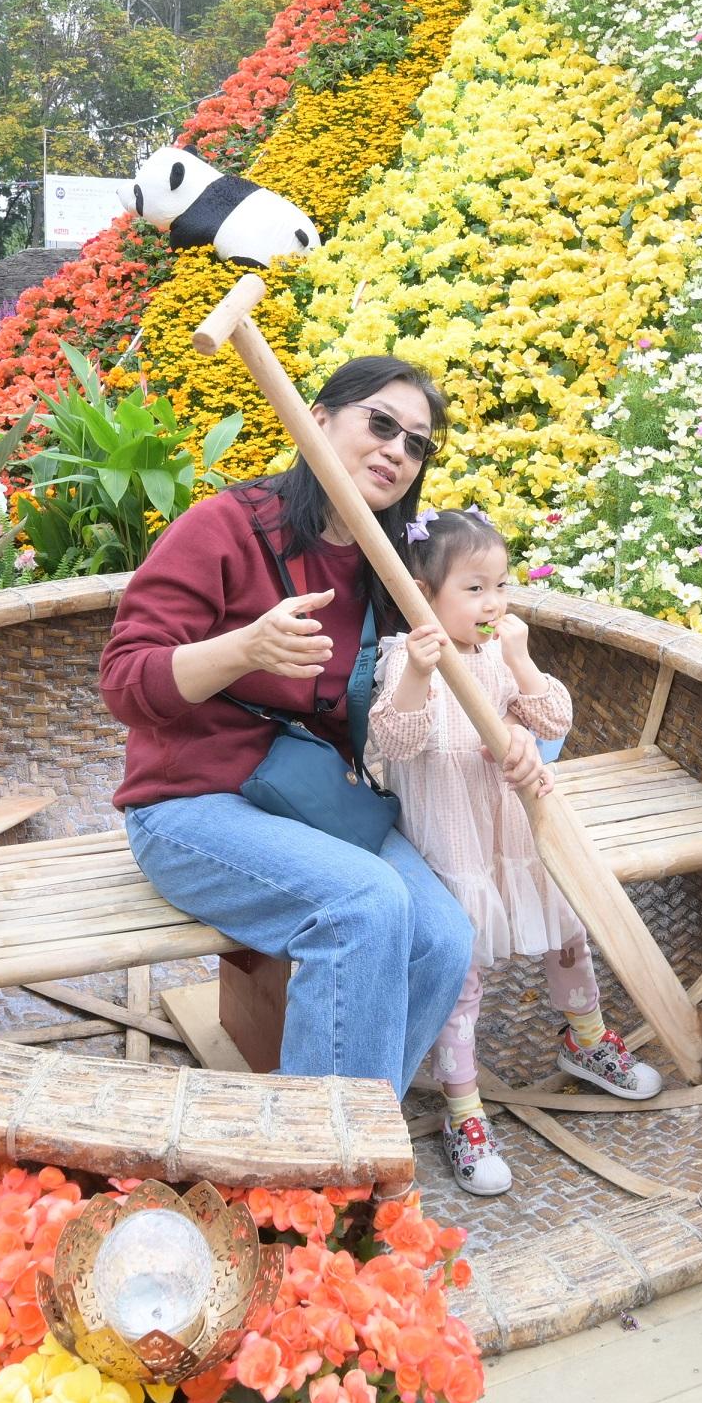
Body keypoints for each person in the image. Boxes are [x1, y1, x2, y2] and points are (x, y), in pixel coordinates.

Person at [100, 354, 473, 1102]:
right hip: (188, 804)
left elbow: (444, 678)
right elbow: (124, 680)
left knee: (443, 938)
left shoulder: (388, 563)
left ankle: (350, 1128)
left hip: (315, 799)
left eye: (416, 443)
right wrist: (245, 649)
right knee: (364, 904)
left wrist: (522, 738)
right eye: (381, 423)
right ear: (319, 419)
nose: (397, 451)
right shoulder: (225, 527)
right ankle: (327, 1155)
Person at [364, 507, 659, 1196]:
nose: (493, 601)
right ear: (421, 594)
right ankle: (463, 1109)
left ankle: (585, 1038)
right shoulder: (406, 659)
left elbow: (555, 718)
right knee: (462, 975)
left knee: (568, 933)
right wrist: (418, 672)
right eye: (474, 588)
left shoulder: (498, 655)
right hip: (453, 847)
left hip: (516, 836)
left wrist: (522, 664)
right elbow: (396, 741)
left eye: (500, 585)